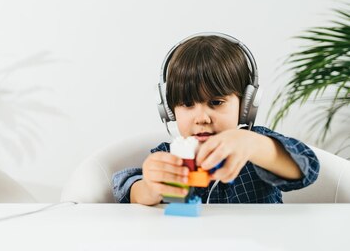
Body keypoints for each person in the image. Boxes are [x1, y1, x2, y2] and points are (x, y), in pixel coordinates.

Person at [112, 33, 319, 205]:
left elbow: (307, 168)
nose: (202, 118)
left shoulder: (256, 146)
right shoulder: (170, 155)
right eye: (187, 104)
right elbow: (128, 189)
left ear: (246, 106)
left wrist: (254, 146)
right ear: (169, 110)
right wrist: (150, 187)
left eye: (216, 102)